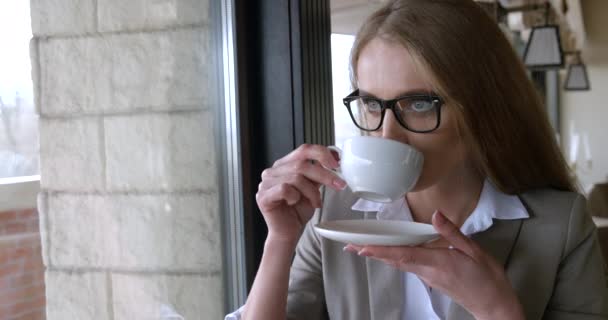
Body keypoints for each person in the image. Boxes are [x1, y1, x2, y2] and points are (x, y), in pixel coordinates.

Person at [226, 0, 608, 319]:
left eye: (420, 104)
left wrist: (497, 309)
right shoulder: (333, 213)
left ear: (483, 108)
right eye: (373, 105)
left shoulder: (560, 227)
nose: (388, 134)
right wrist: (280, 239)